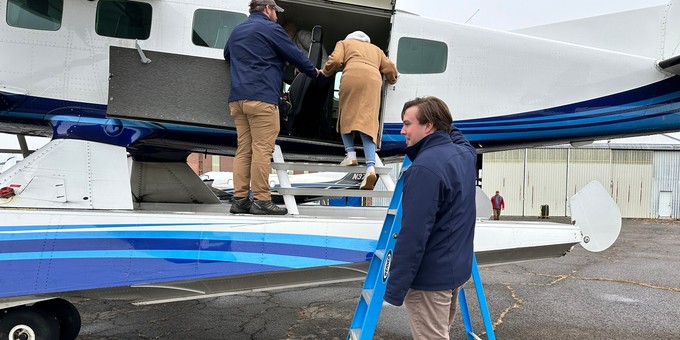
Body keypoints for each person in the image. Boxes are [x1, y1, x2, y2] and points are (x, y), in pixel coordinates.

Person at [384, 96, 477, 340]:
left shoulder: (424, 169)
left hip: (429, 283)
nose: (402, 130)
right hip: (453, 273)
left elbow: (413, 235)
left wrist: (394, 289)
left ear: (428, 126)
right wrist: (442, 121)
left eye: (407, 123)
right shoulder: (465, 156)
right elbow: (455, 134)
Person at [224, 0, 321, 215]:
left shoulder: (237, 30)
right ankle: (261, 200)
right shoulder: (271, 28)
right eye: (276, 12)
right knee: (262, 150)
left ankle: (239, 200)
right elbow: (295, 55)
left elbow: (228, 56)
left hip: (237, 99)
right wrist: (314, 72)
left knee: (244, 149)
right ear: (268, 9)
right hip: (262, 98)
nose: (278, 16)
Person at [321, 31, 398, 190]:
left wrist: (326, 72)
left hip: (352, 76)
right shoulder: (376, 50)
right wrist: (392, 79)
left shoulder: (344, 43)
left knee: (346, 115)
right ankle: (370, 167)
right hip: (373, 80)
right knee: (367, 121)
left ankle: (350, 154)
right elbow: (390, 67)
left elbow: (335, 60)